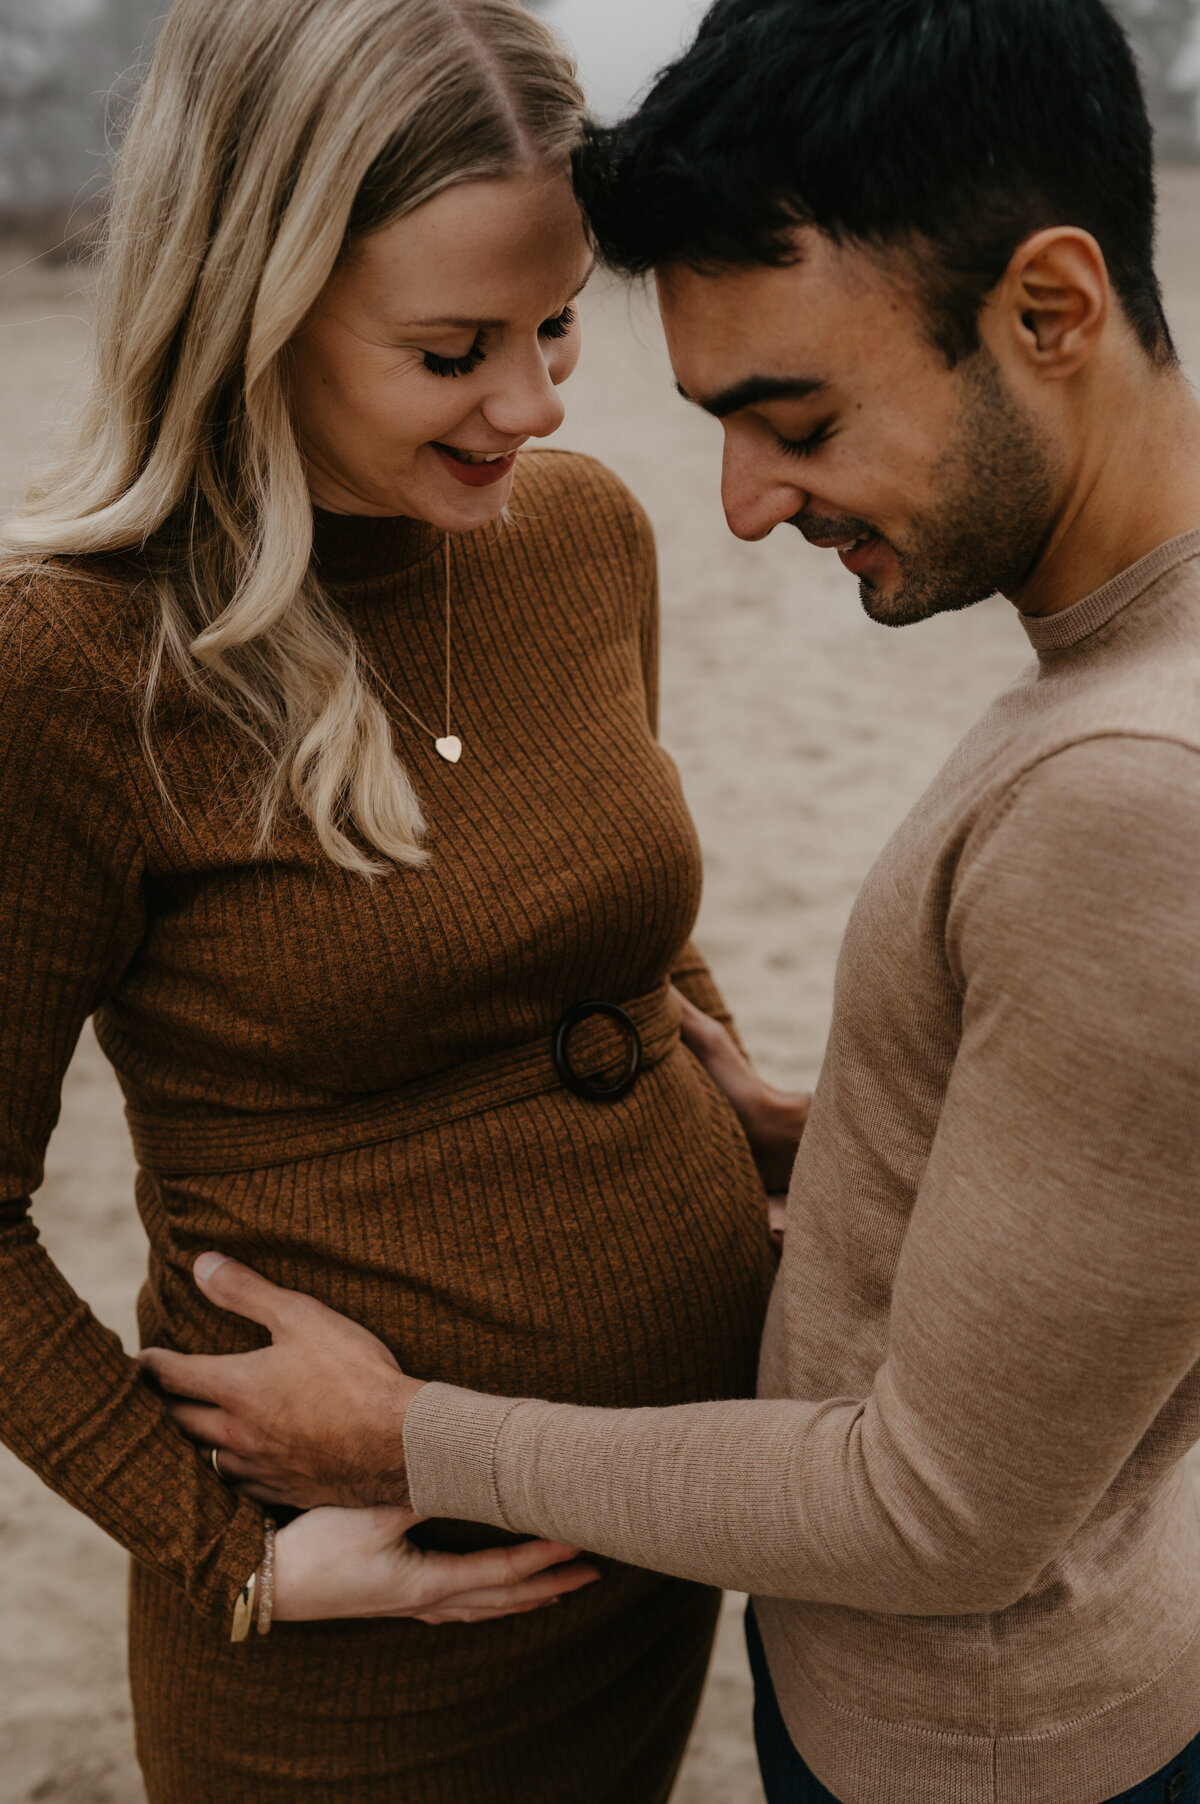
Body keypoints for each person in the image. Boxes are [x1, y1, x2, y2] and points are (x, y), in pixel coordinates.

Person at [146, 1, 1200, 1801]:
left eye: (792, 415)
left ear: (1050, 310)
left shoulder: (1123, 794)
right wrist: (866, 1136)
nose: (736, 501)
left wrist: (410, 1437)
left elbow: (938, 1518)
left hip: (976, 1743)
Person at [0, 0, 796, 1798]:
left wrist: (735, 1122)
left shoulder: (584, 531)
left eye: (558, 323)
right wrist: (239, 1564)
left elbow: (616, 913)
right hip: (360, 1635)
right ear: (255, 311)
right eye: (453, 351)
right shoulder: (76, 665)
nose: (533, 403)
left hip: (643, 1518)